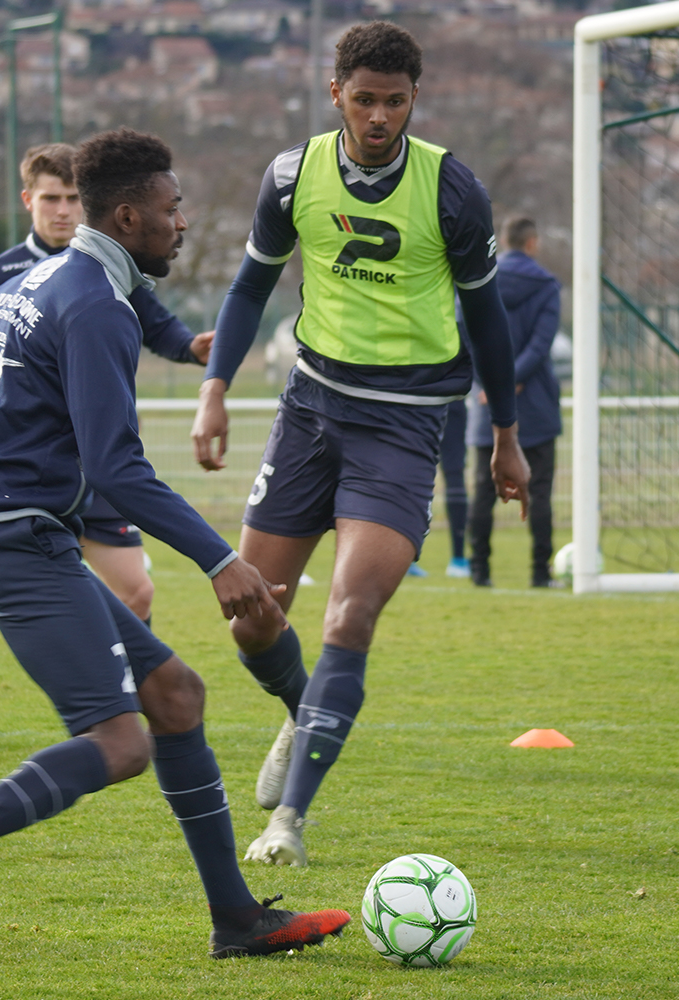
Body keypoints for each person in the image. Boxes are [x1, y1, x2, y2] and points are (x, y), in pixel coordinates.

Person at [0, 128, 351, 958]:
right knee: (121, 742)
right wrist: (221, 559)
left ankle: (237, 920)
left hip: (2, 526)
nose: (182, 223)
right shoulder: (95, 303)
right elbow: (117, 470)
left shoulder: (40, 279)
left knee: (177, 697)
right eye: (171, 209)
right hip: (12, 534)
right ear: (128, 217)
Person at [189, 21, 530, 867]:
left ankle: (288, 822)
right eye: (366, 100)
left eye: (397, 102)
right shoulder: (290, 175)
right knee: (250, 615)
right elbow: (250, 287)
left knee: (350, 613)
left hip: (404, 427)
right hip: (308, 414)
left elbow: (487, 317)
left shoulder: (452, 189)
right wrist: (215, 389)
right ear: (335, 93)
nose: (380, 117)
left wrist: (506, 435)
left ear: (415, 100)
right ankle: (304, 713)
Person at [0, 143, 213, 766]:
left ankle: (120, 706)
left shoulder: (110, 271)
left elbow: (153, 320)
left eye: (71, 199)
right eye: (50, 199)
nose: (62, 210)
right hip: (21, 484)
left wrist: (189, 347)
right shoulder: (4, 274)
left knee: (137, 591)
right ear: (28, 201)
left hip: (93, 473)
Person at [467, 216, 562, 588]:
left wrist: (491, 383)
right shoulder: (547, 285)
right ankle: (540, 573)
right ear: (532, 243)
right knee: (539, 492)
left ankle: (479, 572)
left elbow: (463, 332)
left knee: (482, 491)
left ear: (503, 242)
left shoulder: (479, 277)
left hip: (487, 404)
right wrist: (514, 379)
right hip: (536, 404)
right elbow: (541, 344)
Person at [440, 397, 471, 577]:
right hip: (449, 401)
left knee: (411, 475)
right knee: (454, 475)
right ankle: (458, 560)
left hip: (412, 402)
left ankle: (405, 558)